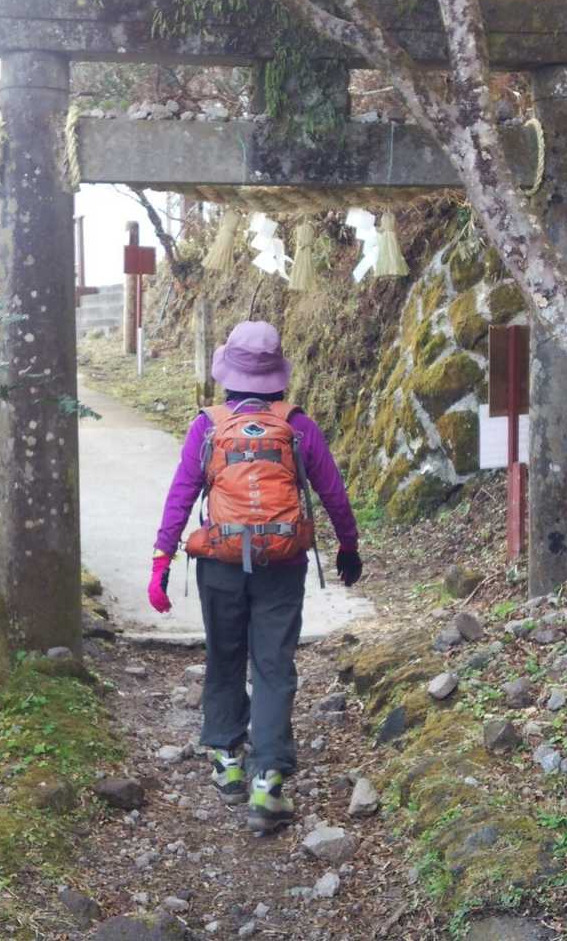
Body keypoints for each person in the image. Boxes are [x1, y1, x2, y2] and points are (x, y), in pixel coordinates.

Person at [149, 320, 363, 834]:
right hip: (282, 563)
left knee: (225, 655)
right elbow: (332, 492)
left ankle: (227, 761)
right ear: (276, 375)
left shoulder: (207, 426)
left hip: (220, 562)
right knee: (273, 664)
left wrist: (161, 561)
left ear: (228, 374)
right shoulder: (298, 426)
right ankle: (267, 781)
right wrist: (349, 546)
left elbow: (181, 495)